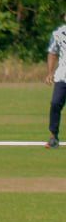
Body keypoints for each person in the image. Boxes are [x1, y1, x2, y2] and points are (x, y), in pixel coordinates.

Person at [47, 12, 66, 148]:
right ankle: (53, 136)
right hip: (63, 76)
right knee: (55, 104)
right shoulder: (58, 33)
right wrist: (50, 72)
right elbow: (52, 53)